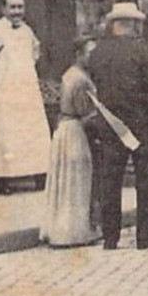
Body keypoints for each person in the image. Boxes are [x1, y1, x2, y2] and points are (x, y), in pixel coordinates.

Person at [86, 1, 148, 249]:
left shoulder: (98, 52)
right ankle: (147, 235)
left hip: (110, 125)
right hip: (142, 125)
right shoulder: (141, 50)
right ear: (133, 24)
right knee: (147, 181)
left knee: (110, 181)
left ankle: (111, 237)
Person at [0, 0, 51, 193]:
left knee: (32, 132)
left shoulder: (27, 31)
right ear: (3, 9)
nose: (17, 12)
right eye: (13, 7)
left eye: (20, 7)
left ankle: (39, 176)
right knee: (5, 134)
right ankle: (3, 181)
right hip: (5, 91)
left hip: (27, 90)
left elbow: (34, 53)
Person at [41, 35, 100, 248]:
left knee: (65, 179)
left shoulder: (69, 74)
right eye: (89, 54)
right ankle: (74, 231)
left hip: (64, 128)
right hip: (76, 130)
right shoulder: (80, 79)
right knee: (77, 179)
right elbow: (85, 112)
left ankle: (60, 228)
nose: (92, 58)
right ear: (79, 54)